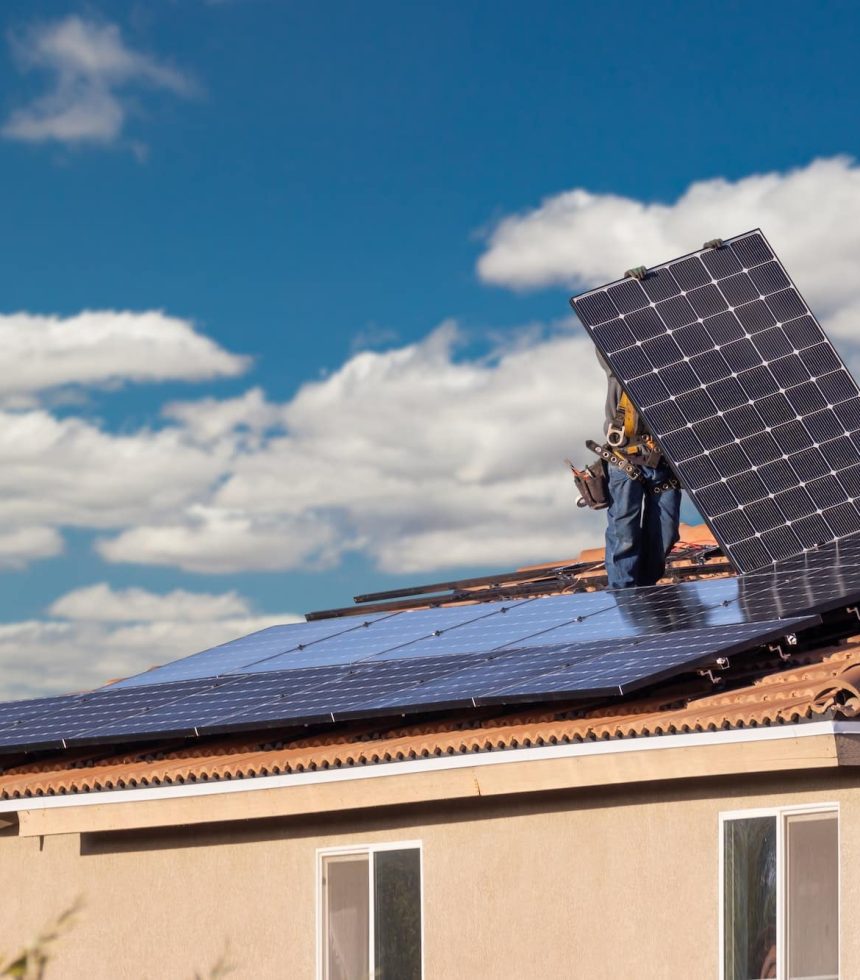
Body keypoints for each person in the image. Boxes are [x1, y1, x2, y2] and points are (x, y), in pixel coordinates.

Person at [597, 349, 681, 590]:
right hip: (626, 459)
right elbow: (608, 347)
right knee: (625, 536)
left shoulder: (675, 365)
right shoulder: (620, 363)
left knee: (666, 534)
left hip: (664, 462)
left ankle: (645, 591)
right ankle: (624, 596)